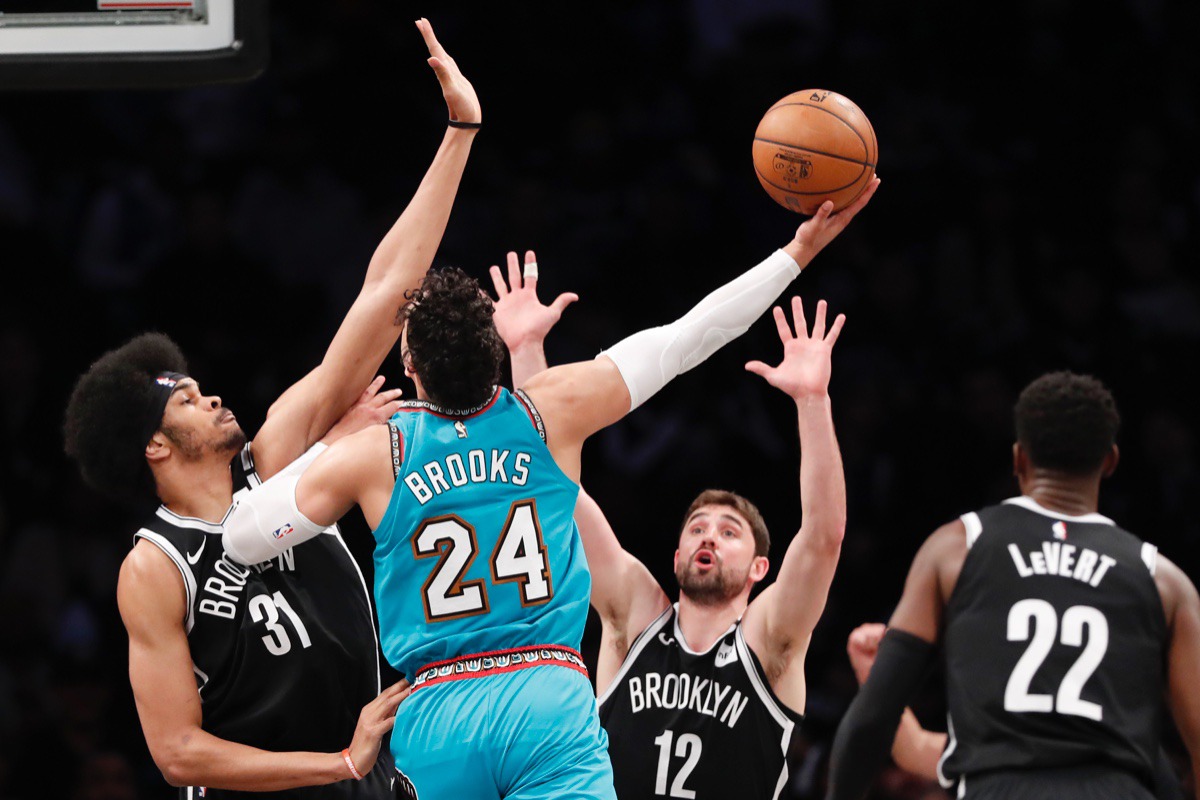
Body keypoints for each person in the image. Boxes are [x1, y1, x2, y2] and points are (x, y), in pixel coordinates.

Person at [221, 178, 880, 799]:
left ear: (410, 366)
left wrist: (328, 443)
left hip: (439, 708)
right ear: (494, 354)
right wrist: (796, 253)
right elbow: (689, 338)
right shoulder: (548, 409)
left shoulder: (373, 454)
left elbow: (243, 536)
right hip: (547, 696)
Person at [61, 18, 480, 798]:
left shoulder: (274, 463)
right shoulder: (153, 568)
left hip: (364, 778)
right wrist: (337, 764)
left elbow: (385, 298)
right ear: (155, 448)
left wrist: (459, 132)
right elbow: (179, 752)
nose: (210, 395)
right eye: (185, 399)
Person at [488, 252, 851, 800]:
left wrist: (812, 401)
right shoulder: (634, 615)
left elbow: (823, 537)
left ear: (760, 568)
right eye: (698, 527)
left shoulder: (769, 642)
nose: (709, 535)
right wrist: (524, 350)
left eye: (730, 532)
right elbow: (554, 489)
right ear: (677, 554)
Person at [825, 371, 1200, 800]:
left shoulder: (957, 547)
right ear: (1110, 461)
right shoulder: (1165, 580)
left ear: (1019, 458)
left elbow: (871, 720)